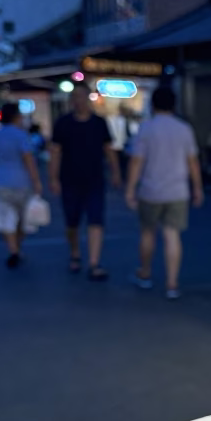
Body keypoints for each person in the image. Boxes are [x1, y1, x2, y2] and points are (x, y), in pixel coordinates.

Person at [125, 86, 204, 299]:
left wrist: (130, 188)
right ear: (174, 105)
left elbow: (136, 161)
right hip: (178, 190)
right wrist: (197, 188)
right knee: (172, 235)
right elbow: (192, 162)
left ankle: (145, 273)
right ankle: (172, 283)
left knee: (148, 232)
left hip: (150, 190)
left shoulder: (146, 129)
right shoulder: (184, 129)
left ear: (153, 105)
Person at [50, 82, 120, 280]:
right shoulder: (63, 123)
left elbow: (109, 149)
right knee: (72, 221)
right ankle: (75, 252)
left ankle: (94, 262)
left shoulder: (99, 123)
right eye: (75, 97)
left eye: (82, 97)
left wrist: (115, 173)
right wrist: (53, 178)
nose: (78, 101)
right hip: (70, 179)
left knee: (95, 219)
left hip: (95, 179)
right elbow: (55, 152)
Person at [0, 102, 42, 268]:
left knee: (6, 218)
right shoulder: (21, 136)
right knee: (22, 219)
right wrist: (37, 181)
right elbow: (28, 159)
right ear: (17, 117)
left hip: (1, 181)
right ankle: (17, 247)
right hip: (21, 182)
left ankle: (13, 250)